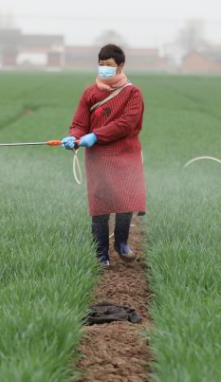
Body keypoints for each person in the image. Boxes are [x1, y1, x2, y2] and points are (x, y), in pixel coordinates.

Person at [62, 44, 146, 268]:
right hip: (98, 157)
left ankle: (121, 244)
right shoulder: (90, 93)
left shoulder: (132, 93)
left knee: (125, 200)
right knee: (100, 204)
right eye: (101, 65)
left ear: (120, 66)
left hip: (126, 155)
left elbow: (126, 124)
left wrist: (96, 135)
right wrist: (74, 137)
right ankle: (101, 255)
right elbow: (80, 123)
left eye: (108, 65)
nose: (104, 69)